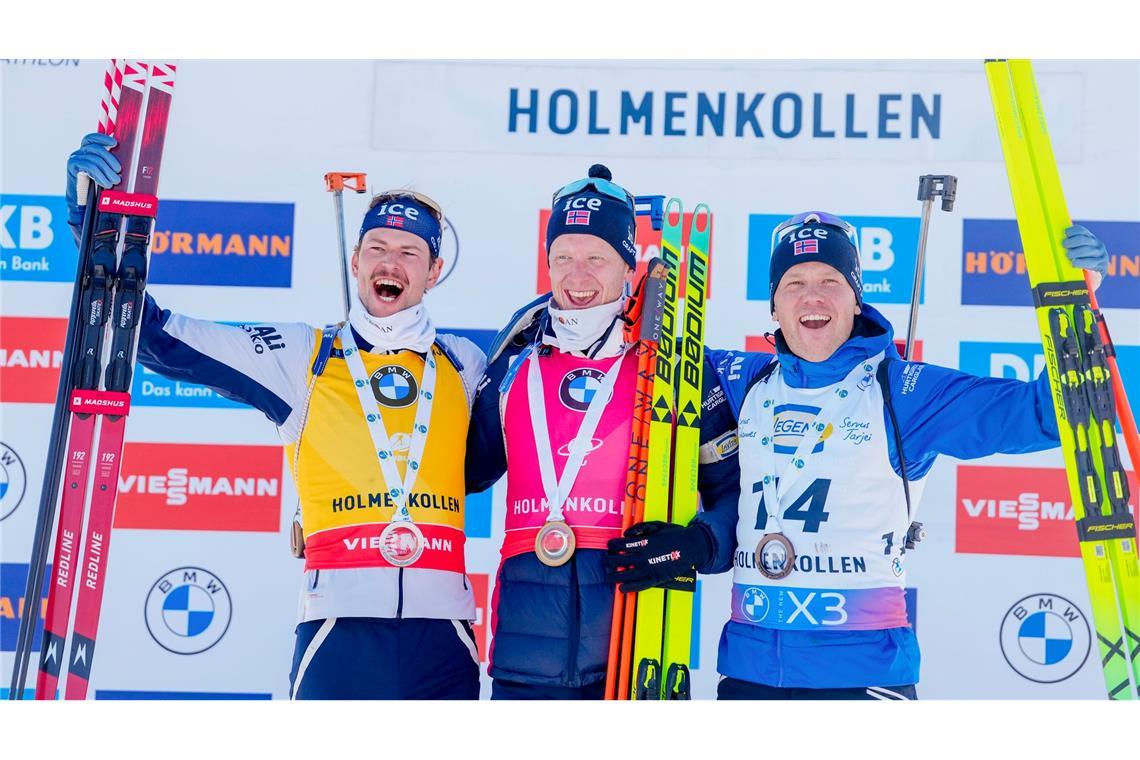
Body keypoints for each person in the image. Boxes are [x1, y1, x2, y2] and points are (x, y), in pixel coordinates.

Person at [605, 211, 1111, 700]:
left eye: (829, 280)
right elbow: (630, 360)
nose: (812, 296)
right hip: (749, 674)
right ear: (774, 306)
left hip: (861, 676)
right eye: (794, 283)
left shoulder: (904, 393)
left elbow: (1045, 415)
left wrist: (1077, 303)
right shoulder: (741, 380)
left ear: (855, 299)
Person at [65, 134, 487, 700]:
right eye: (377, 248)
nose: (391, 262)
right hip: (337, 633)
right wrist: (94, 234)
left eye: (409, 252)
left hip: (444, 641)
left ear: (434, 270)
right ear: (355, 261)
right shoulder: (303, 358)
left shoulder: (463, 363)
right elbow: (161, 339)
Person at [465, 165, 738, 699]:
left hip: (638, 649)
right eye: (563, 258)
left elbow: (733, 496)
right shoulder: (514, 367)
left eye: (596, 258)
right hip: (524, 666)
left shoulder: (675, 366)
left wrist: (699, 543)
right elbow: (464, 474)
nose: (577, 275)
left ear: (628, 264)